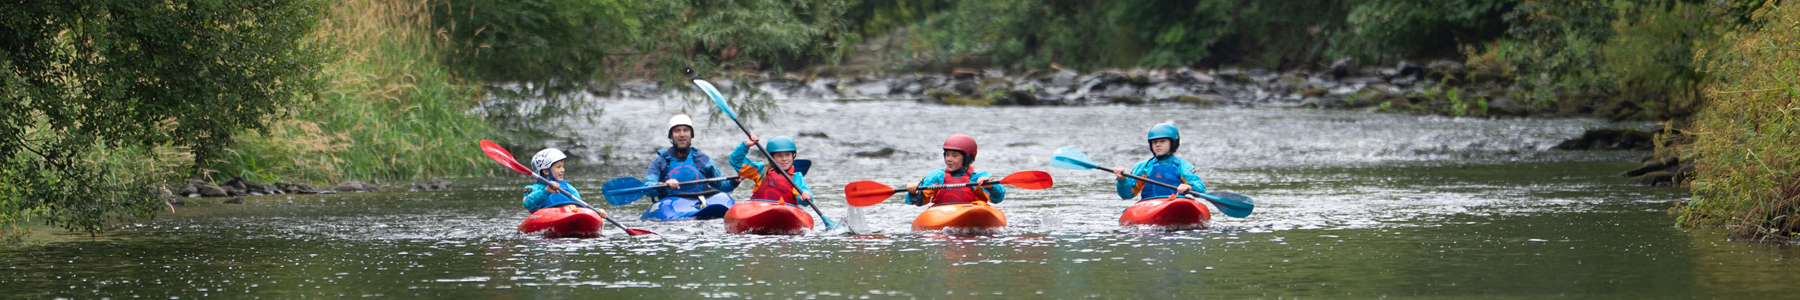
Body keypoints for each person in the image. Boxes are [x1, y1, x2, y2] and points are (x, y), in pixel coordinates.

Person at [643, 114, 739, 197]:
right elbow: (648, 187)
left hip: (699, 204)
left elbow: (722, 185)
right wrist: (663, 185)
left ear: (691, 134)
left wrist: (735, 181)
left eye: (686, 130)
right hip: (670, 206)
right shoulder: (660, 162)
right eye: (677, 131)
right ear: (671, 135)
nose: (682, 134)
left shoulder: (703, 160)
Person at [903, 134, 1006, 206]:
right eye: (947, 155)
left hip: (972, 213)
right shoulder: (936, 177)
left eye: (954, 155)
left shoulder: (979, 179)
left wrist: (990, 186)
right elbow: (917, 202)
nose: (949, 159)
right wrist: (914, 192)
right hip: (942, 214)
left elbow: (997, 198)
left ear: (967, 158)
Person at [1114, 123, 1206, 200]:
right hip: (1149, 206)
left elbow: (1201, 189)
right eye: (1154, 142)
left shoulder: (1183, 166)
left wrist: (1189, 186)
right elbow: (1127, 195)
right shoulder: (1142, 166)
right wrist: (1122, 180)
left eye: (1162, 141)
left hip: (1175, 203)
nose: (1158, 145)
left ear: (1173, 143)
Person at [521, 148, 608, 217]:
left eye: (563, 167)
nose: (563, 170)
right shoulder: (534, 189)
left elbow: (582, 206)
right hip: (548, 217)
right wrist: (546, 191)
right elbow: (528, 204)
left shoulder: (570, 188)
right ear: (546, 171)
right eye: (558, 167)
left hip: (571, 216)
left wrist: (596, 211)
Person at [729, 134, 812, 205]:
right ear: (771, 157)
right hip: (759, 209)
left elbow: (803, 193)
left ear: (793, 155)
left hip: (785, 212)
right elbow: (735, 161)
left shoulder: (796, 176)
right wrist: (745, 145)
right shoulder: (761, 170)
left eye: (787, 155)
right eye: (779, 156)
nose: (784, 159)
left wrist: (805, 196)